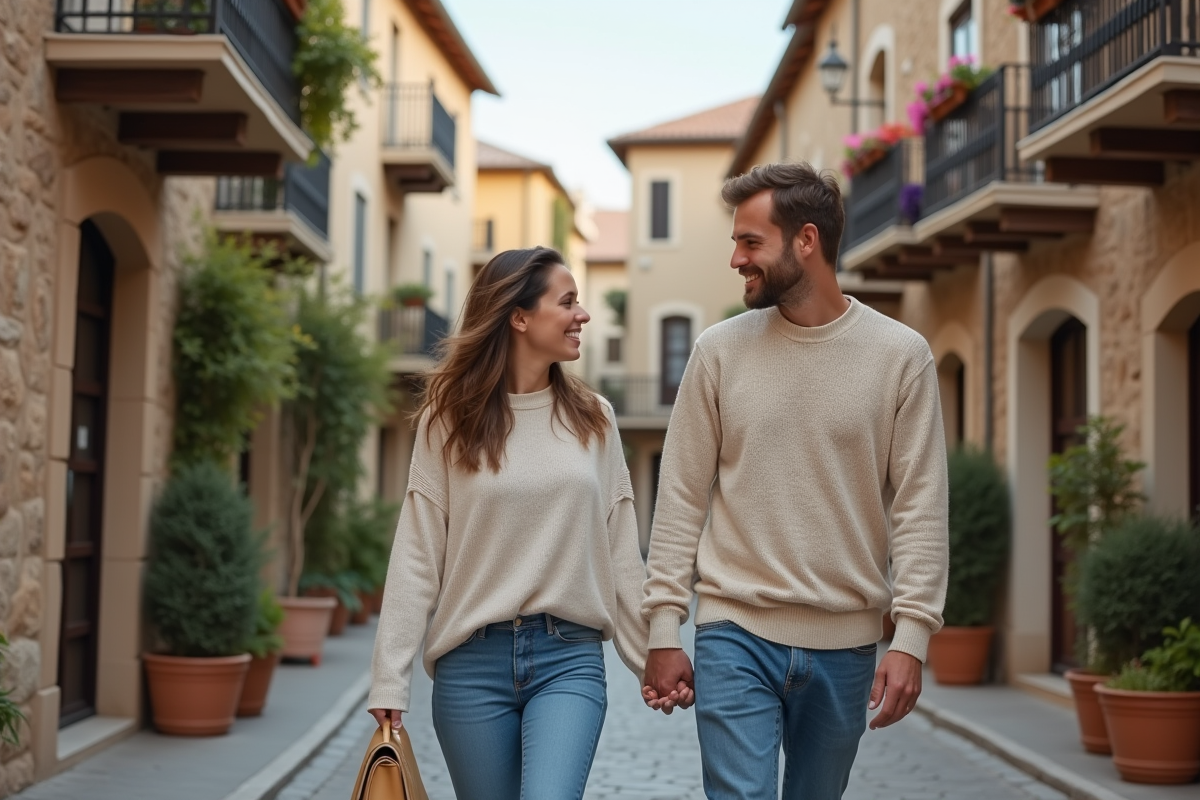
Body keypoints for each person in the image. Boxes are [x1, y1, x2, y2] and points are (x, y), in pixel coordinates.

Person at [640, 162, 950, 799]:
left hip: (847, 645)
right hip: (734, 633)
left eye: (750, 242)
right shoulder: (719, 352)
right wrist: (664, 628)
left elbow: (920, 506)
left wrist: (912, 637)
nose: (735, 259)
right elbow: (680, 496)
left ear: (806, 240)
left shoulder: (901, 357)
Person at [368, 247, 651, 800]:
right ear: (519, 317)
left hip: (568, 659)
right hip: (470, 665)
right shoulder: (447, 421)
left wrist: (651, 659)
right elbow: (417, 553)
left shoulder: (595, 419)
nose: (583, 316)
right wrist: (389, 674)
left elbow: (619, 548)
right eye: (567, 302)